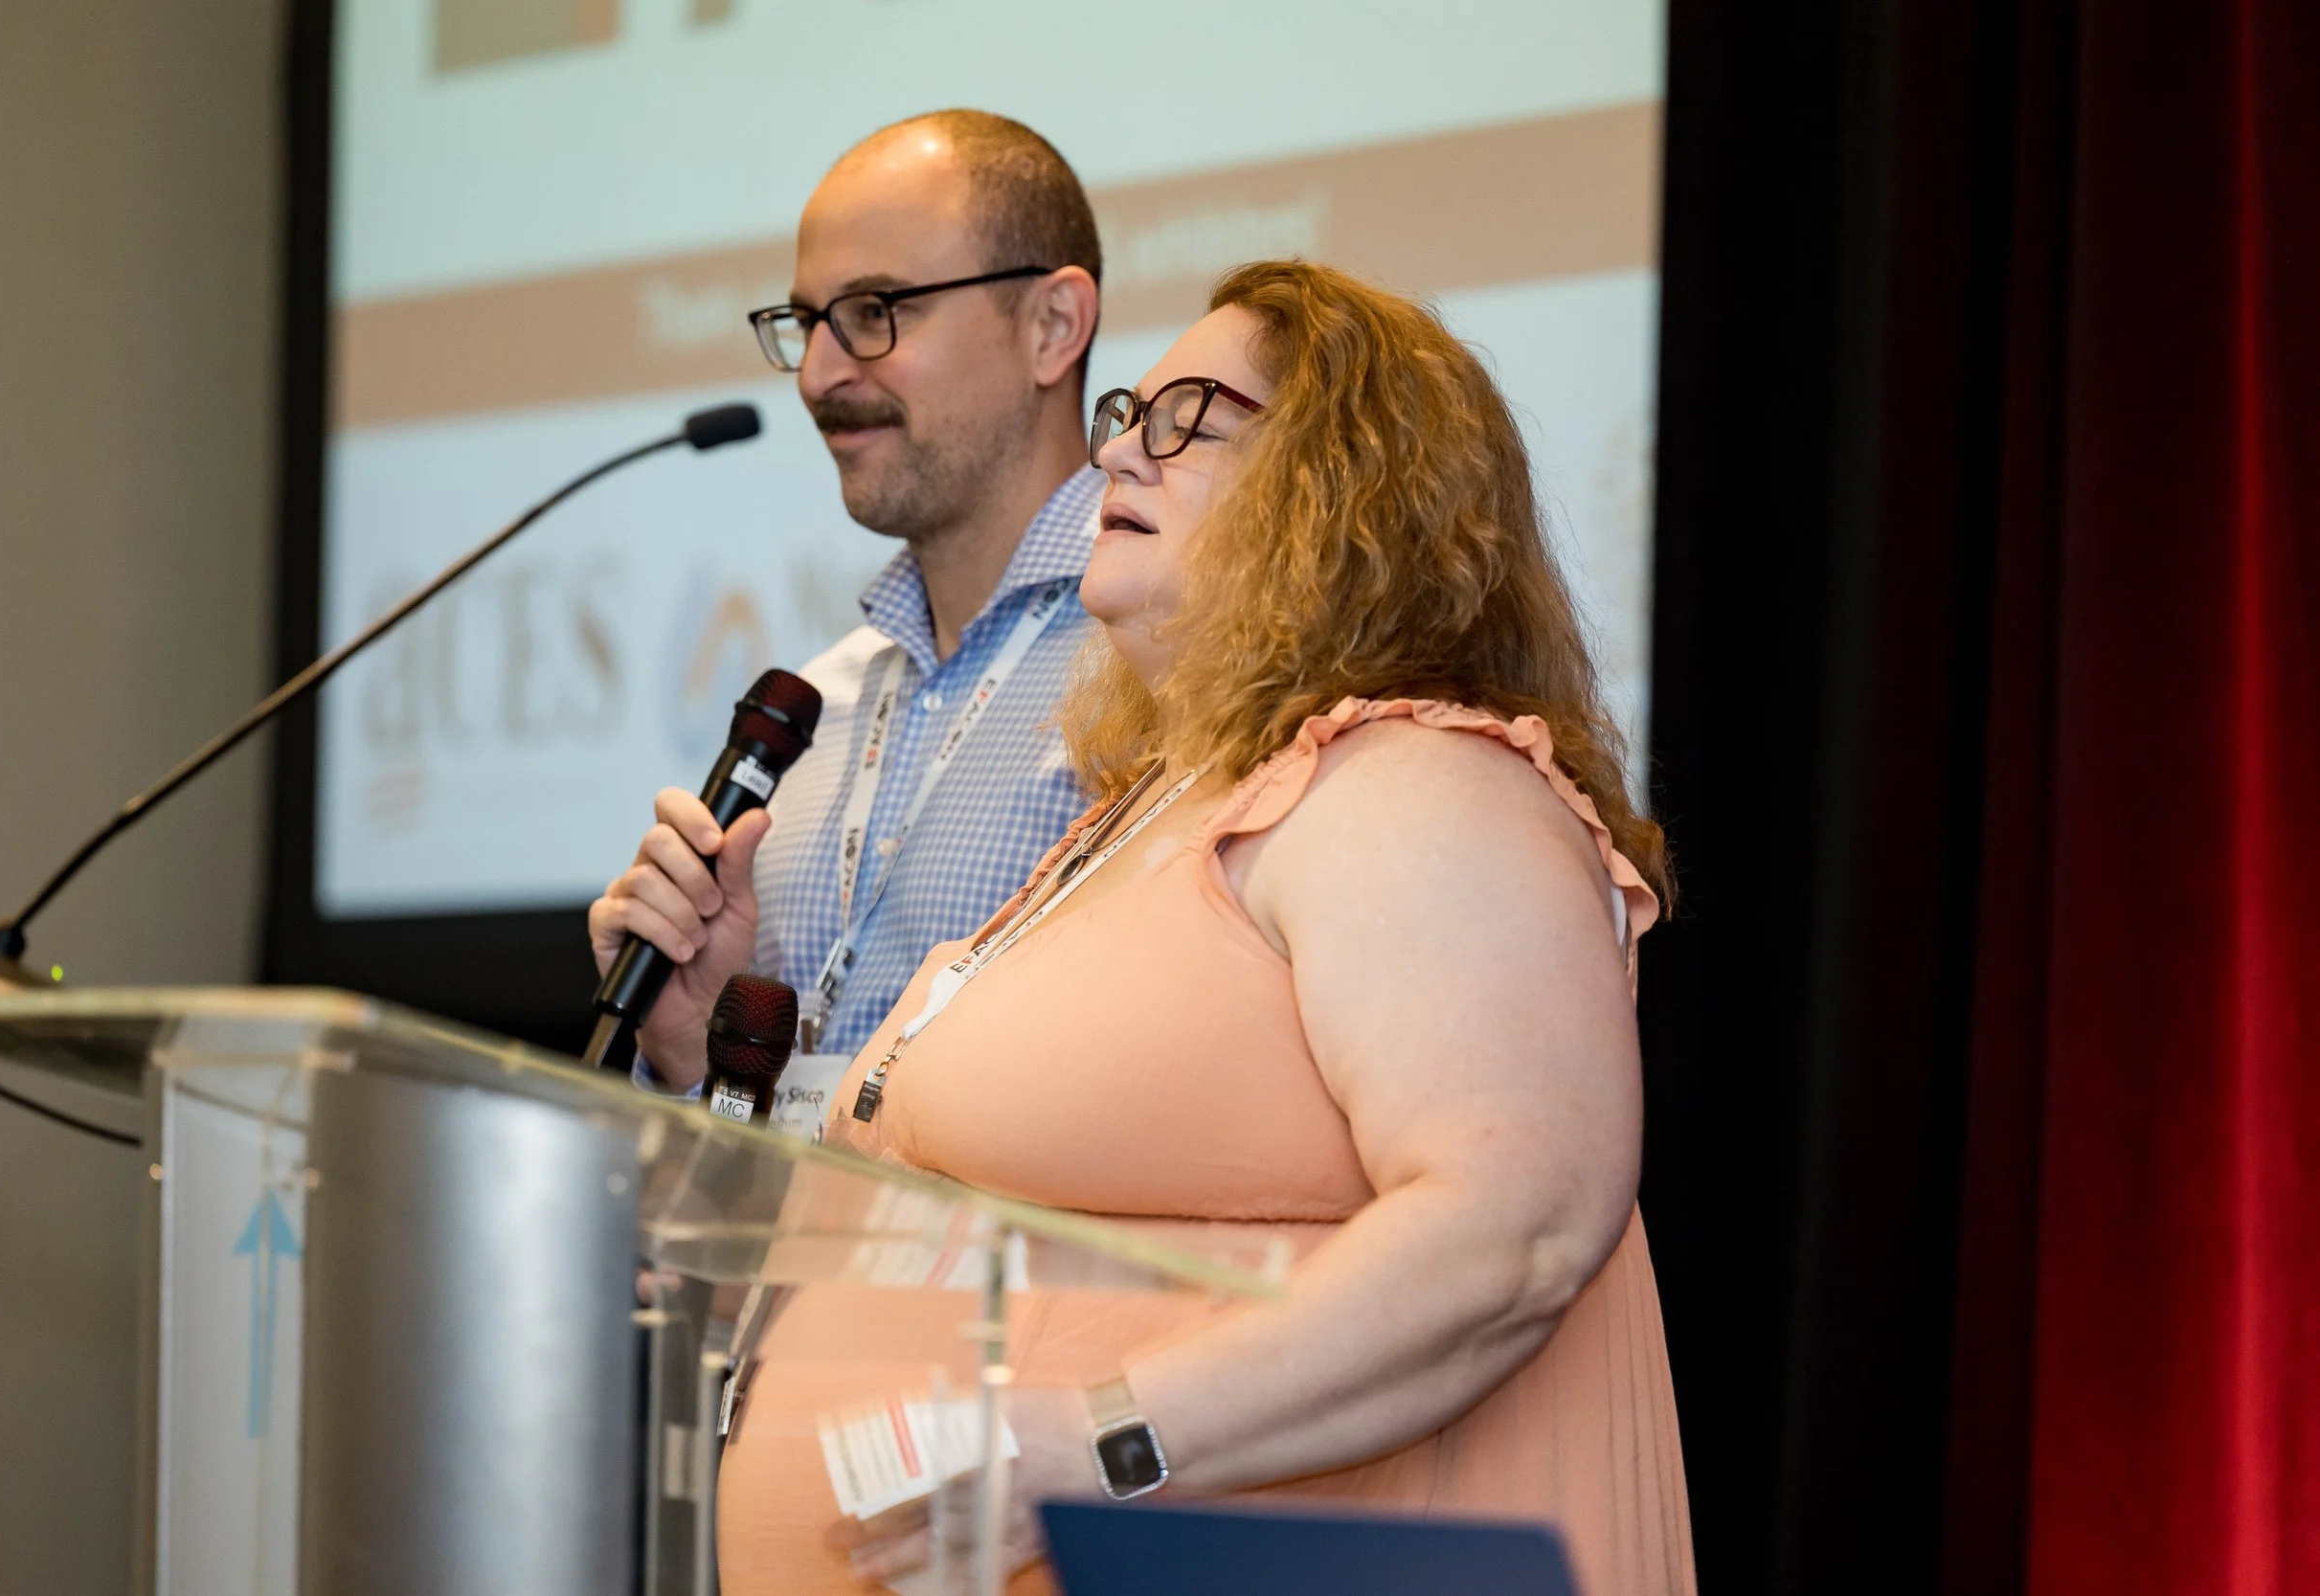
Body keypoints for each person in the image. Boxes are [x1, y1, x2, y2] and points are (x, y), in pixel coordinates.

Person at [713, 259, 1696, 1595]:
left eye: (1188, 418)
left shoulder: (1419, 782)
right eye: (1129, 411)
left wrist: (1101, 1441)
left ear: (1348, 482)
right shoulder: (1156, 807)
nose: (1118, 447)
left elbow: (1511, 1227)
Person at [587, 110, 1106, 1099]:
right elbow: (751, 1149)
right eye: (807, 322)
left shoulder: (1174, 670)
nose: (820, 375)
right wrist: (693, 1055)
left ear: (1051, 327)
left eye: (874, 311)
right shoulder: (811, 716)